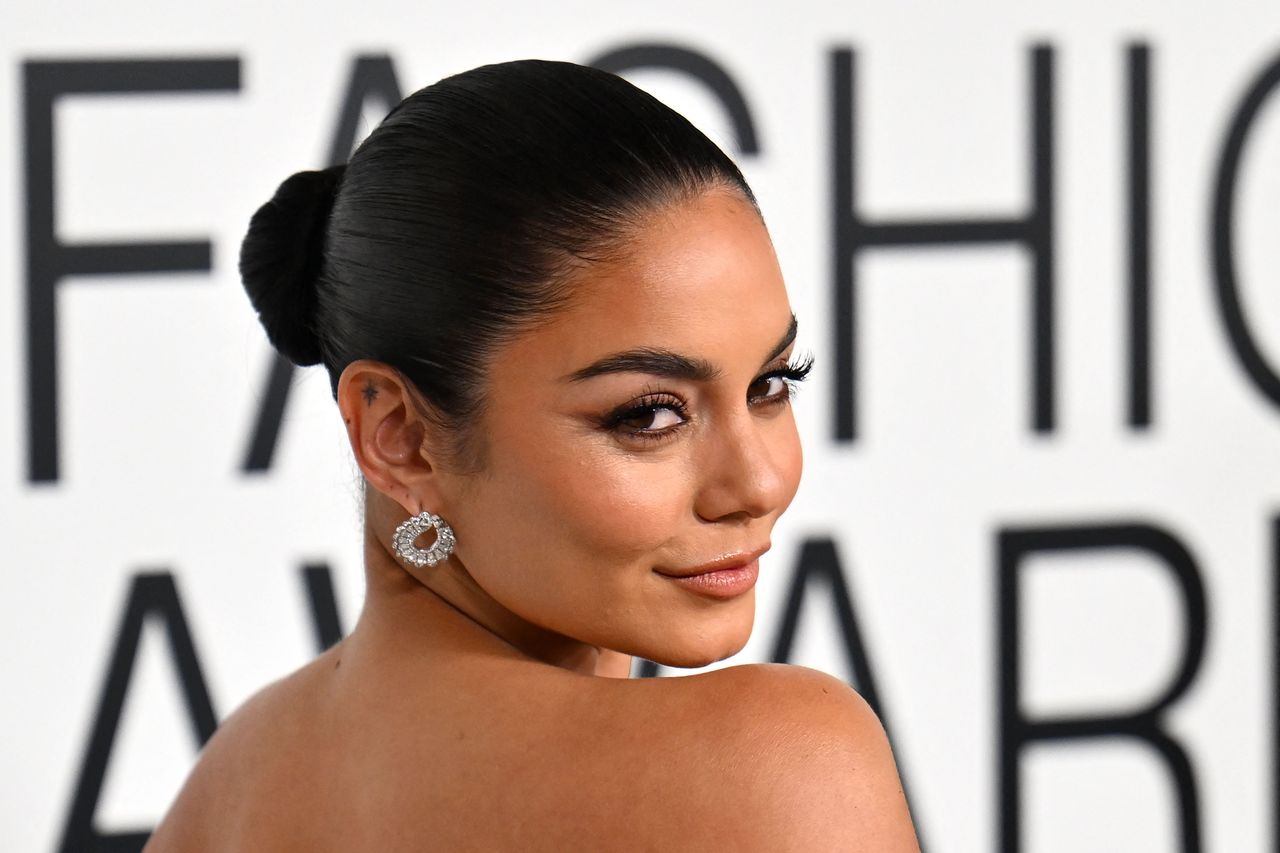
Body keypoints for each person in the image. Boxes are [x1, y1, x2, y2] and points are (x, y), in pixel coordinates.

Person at [145, 59, 919, 851]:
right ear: (400, 439)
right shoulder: (779, 768)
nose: (757, 482)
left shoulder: (226, 791)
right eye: (650, 413)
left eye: (770, 383)